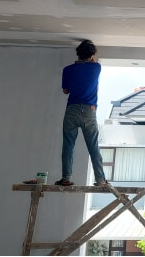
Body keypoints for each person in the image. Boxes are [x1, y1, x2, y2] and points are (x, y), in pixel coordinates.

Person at [55, 39, 108, 186]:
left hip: (71, 110)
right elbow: (92, 62)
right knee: (93, 147)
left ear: (77, 54)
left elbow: (66, 91)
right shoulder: (96, 67)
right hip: (88, 111)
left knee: (68, 146)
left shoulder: (67, 69)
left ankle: (66, 178)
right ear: (92, 56)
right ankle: (100, 180)